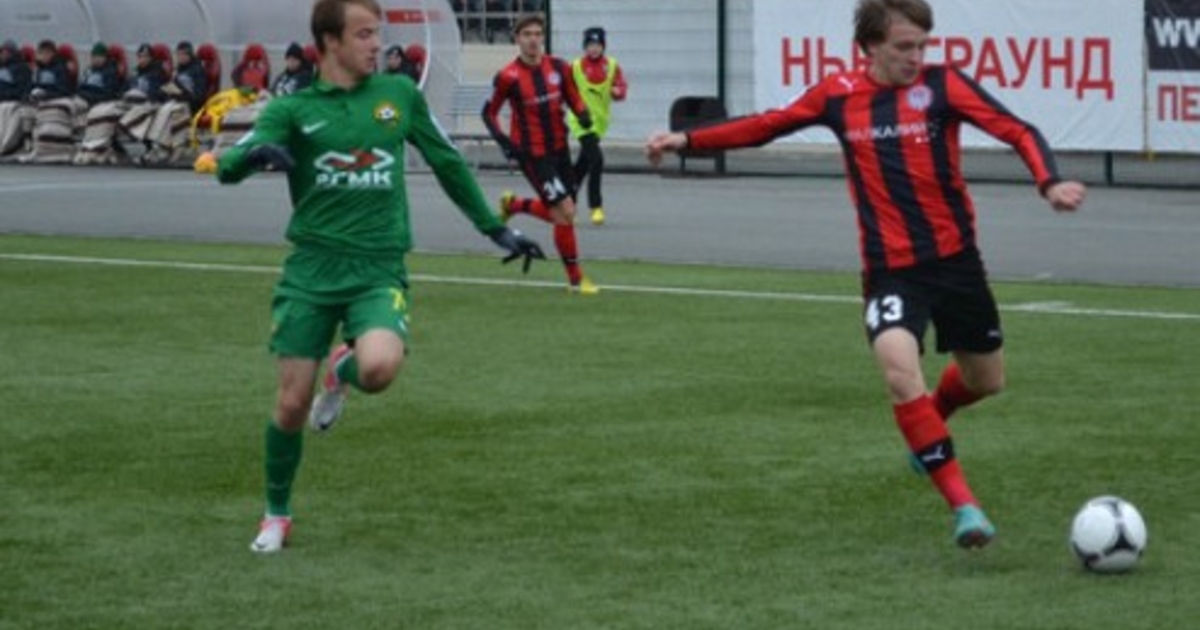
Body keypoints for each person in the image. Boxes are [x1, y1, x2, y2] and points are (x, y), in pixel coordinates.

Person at [646, 0, 1087, 549]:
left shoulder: (944, 85)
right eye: (904, 47)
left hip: (957, 264)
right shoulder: (838, 95)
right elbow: (766, 125)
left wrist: (1049, 182)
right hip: (890, 272)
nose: (916, 56)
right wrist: (687, 139)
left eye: (922, 45)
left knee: (986, 380)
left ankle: (933, 419)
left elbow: (1018, 130)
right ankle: (965, 508)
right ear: (870, 47)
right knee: (901, 373)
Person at [213, 0, 546, 554]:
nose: (377, 44)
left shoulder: (399, 96)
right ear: (329, 42)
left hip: (378, 267)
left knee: (380, 367)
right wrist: (255, 157)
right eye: (364, 34)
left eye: (378, 33)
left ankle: (341, 369)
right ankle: (276, 514)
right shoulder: (293, 109)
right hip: (311, 271)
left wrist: (494, 228)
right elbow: (228, 165)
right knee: (291, 404)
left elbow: (447, 161)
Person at [483, 13, 598, 295]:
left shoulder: (559, 67)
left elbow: (573, 97)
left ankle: (514, 205)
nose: (533, 40)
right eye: (527, 35)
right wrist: (503, 141)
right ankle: (576, 280)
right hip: (533, 154)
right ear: (517, 39)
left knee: (563, 213)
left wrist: (582, 114)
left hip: (560, 148)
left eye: (537, 34)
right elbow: (489, 112)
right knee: (565, 211)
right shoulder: (508, 76)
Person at [567, 26, 627, 226]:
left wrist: (618, 92)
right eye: (590, 45)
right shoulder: (576, 66)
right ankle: (596, 206)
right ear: (585, 47)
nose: (594, 49)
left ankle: (567, 204)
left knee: (581, 168)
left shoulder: (612, 65)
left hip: (599, 123)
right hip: (580, 120)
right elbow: (567, 89)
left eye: (598, 45)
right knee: (597, 160)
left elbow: (621, 86)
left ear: (603, 46)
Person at [0, 39, 34, 156]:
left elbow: (22, 90)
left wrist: (6, 95)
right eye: (2, 52)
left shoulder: (21, 68)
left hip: (11, 100)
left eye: (6, 52)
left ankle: (4, 145)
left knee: (6, 109)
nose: (3, 55)